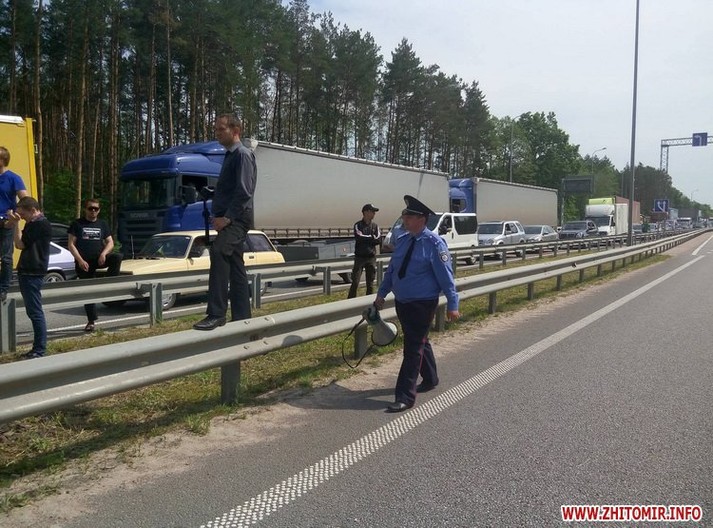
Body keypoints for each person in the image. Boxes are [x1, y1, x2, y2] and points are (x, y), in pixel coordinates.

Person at [374, 195, 460, 413]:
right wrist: (381, 294)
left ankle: (405, 396)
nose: (404, 219)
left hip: (423, 303)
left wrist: (453, 304)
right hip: (403, 302)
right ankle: (430, 378)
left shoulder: (434, 244)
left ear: (422, 219)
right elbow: (392, 271)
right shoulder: (403, 240)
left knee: (412, 348)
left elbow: (446, 277)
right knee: (419, 341)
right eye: (404, 215)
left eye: (409, 216)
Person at [193, 114, 256, 331]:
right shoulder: (230, 156)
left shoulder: (242, 155)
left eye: (221, 129)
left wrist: (226, 218)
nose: (217, 133)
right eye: (216, 129)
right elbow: (231, 188)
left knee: (219, 251)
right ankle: (243, 319)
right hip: (231, 218)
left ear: (235, 130)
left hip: (236, 219)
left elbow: (244, 192)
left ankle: (216, 314)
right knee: (235, 265)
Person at [67, 198, 123, 332]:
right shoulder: (77, 224)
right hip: (84, 263)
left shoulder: (102, 224)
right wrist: (80, 260)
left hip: (99, 259)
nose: (93, 211)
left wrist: (104, 254)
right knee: (89, 292)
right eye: (90, 208)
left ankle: (109, 284)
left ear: (99, 210)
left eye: (96, 209)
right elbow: (71, 244)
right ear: (85, 209)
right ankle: (91, 321)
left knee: (117, 257)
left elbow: (110, 242)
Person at [6, 196, 51, 359]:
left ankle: (39, 349)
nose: (22, 217)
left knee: (35, 312)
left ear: (33, 210)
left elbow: (20, 244)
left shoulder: (39, 224)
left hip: (32, 271)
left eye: (23, 214)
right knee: (33, 311)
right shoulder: (34, 223)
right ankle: (38, 348)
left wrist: (15, 223)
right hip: (30, 271)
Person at [0, 146, 29, 301]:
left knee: (5, 257)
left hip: (6, 221)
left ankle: (3, 289)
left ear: (3, 160)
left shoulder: (13, 178)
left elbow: (25, 199)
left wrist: (18, 214)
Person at [347, 203, 381, 298]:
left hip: (371, 258)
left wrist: (368, 239)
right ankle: (350, 301)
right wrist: (371, 238)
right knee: (355, 282)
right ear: (366, 212)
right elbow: (359, 237)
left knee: (370, 283)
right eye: (372, 211)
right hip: (360, 258)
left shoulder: (375, 226)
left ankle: (369, 302)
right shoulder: (358, 225)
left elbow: (378, 239)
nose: (374, 214)